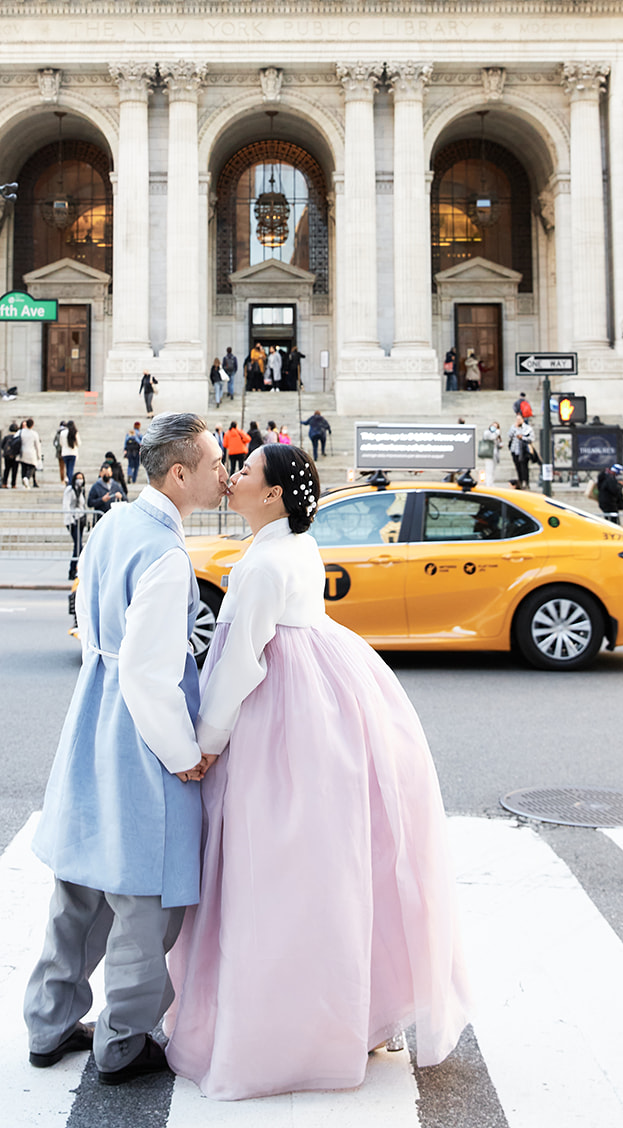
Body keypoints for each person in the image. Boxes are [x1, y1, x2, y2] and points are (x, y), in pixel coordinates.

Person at [164, 444, 469, 1100]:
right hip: (328, 700)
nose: (232, 476)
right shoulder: (295, 544)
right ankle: (350, 1012)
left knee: (265, 872)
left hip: (279, 714)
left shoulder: (261, 562)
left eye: (243, 472)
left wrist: (207, 743)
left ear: (271, 494)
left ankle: (274, 1026)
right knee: (329, 868)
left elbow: (242, 660)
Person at [24, 413, 229, 1085]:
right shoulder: (167, 555)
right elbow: (152, 673)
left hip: (95, 712)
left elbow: (91, 622)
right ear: (180, 474)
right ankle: (124, 1039)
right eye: (213, 463)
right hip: (143, 733)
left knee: (79, 885)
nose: (221, 473)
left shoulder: (112, 523)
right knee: (146, 903)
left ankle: (48, 1021)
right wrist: (182, 753)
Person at [63, 469, 86, 581]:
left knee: (78, 545)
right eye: (78, 478)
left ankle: (76, 569)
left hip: (80, 519)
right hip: (72, 520)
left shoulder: (81, 490)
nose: (79, 480)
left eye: (81, 478)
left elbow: (83, 505)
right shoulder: (70, 490)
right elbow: (66, 505)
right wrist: (70, 519)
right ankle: (72, 569)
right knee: (78, 545)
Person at [509, 417, 535, 488]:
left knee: (524, 467)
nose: (518, 421)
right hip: (515, 450)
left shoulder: (527, 428)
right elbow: (510, 435)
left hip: (524, 451)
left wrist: (522, 437)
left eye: (519, 419)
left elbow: (532, 438)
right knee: (518, 467)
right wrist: (514, 428)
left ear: (523, 420)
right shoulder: (513, 427)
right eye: (517, 420)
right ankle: (520, 481)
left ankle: (526, 481)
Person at [20, 418, 43, 489]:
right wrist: (39, 455)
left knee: (23, 467)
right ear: (32, 425)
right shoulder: (34, 434)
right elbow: (37, 445)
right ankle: (27, 477)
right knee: (32, 466)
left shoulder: (21, 432)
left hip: (22, 452)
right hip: (31, 452)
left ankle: (24, 480)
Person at [479, 420, 502, 486]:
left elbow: (498, 443)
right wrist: (496, 432)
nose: (494, 428)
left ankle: (491, 483)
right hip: (488, 453)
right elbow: (490, 437)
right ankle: (488, 484)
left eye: (496, 427)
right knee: (489, 469)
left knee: (493, 470)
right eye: (493, 426)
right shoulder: (487, 433)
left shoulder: (497, 435)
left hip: (495, 454)